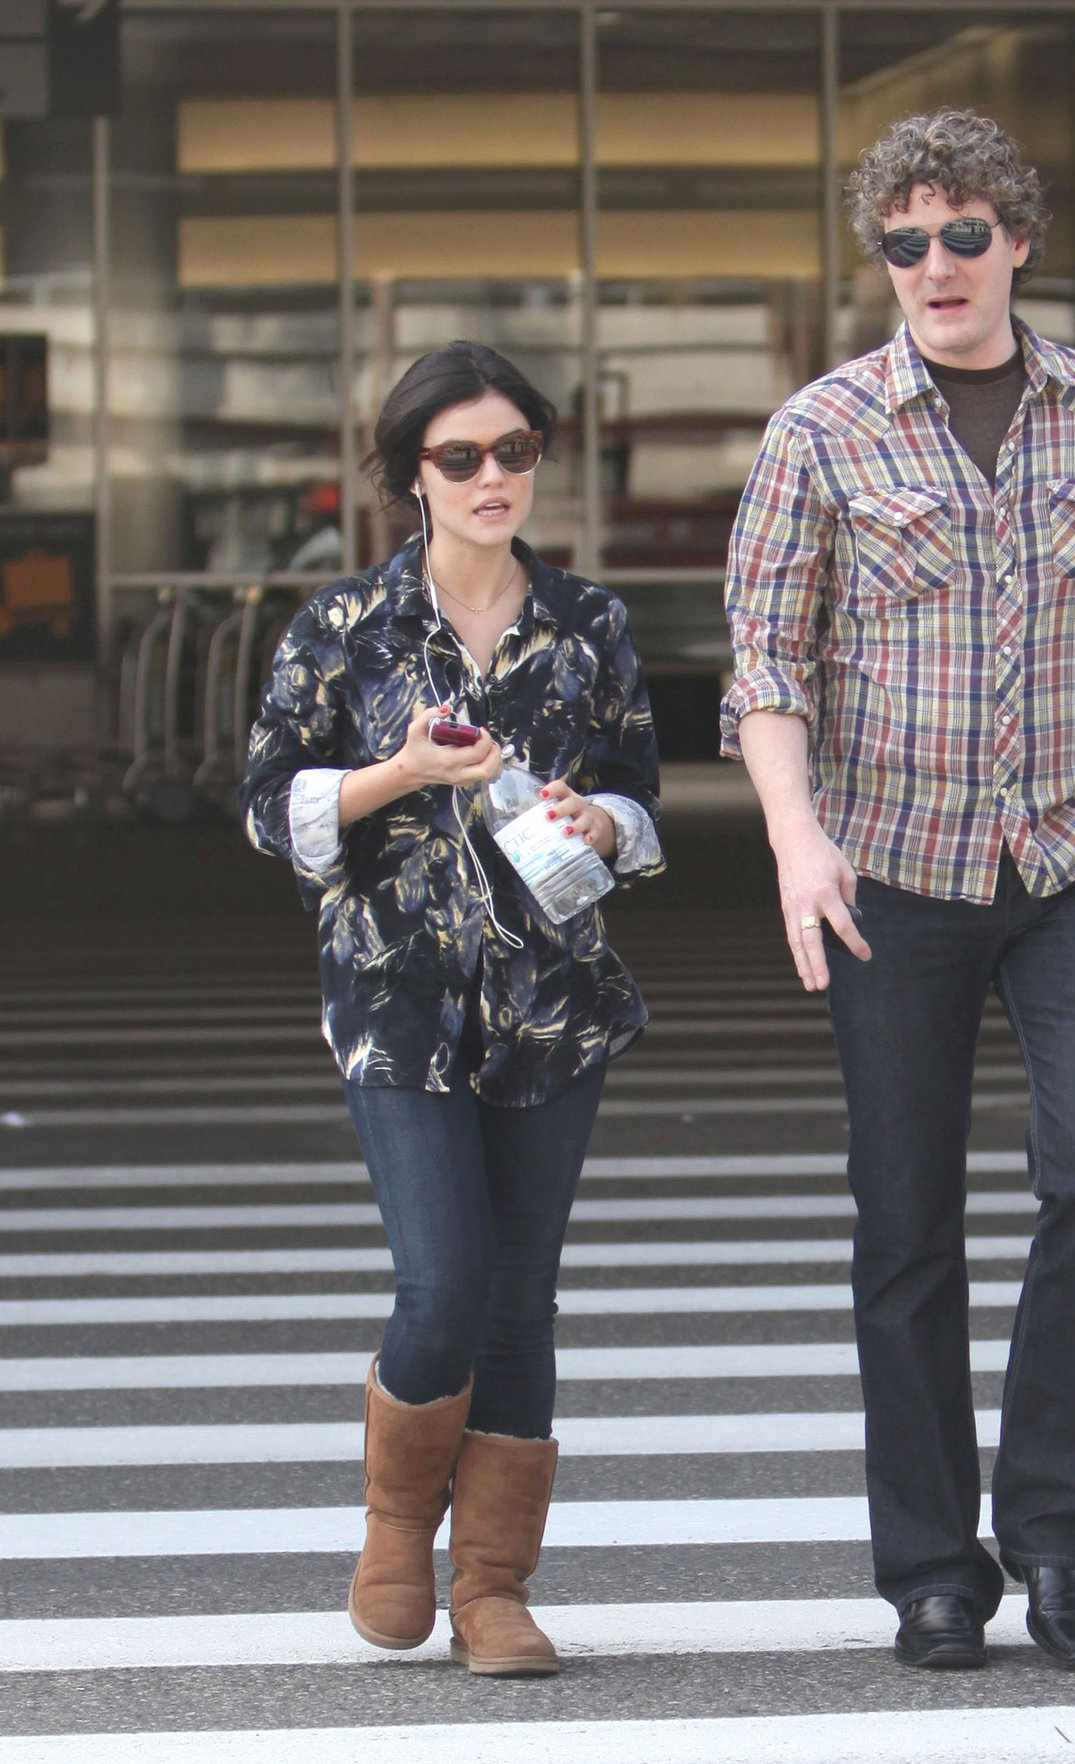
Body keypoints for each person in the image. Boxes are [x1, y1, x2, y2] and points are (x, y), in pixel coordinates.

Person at [722, 110, 1075, 1671]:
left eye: (963, 232)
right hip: (896, 871)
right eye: (905, 240)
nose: (935, 264)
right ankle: (933, 1569)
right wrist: (800, 841)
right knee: (907, 1228)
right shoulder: (823, 431)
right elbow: (766, 662)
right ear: (883, 258)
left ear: (1019, 241)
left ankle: (1058, 1538)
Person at [242, 340, 663, 1678]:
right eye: (462, 457)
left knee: (521, 1300)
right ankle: (393, 1527)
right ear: (411, 474)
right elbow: (268, 803)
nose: (494, 479)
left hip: (554, 1001)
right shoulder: (342, 627)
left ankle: (493, 1589)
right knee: (445, 1283)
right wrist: (393, 773)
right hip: (395, 1001)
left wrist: (605, 818)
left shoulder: (589, 626)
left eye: (517, 453)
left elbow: (641, 800)